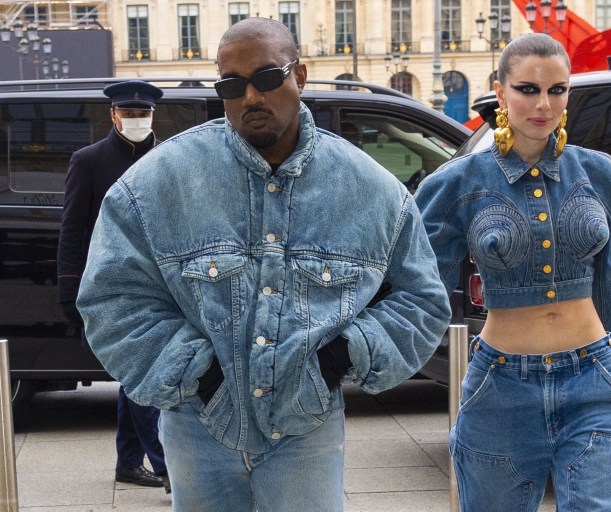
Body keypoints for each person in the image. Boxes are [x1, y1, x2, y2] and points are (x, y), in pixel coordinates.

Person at [76, 16, 450, 512]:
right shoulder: (157, 185)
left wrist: (340, 357)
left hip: (308, 431)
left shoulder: (371, 190)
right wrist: (199, 376)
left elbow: (421, 301)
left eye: (268, 77)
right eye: (232, 85)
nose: (251, 96)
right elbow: (110, 298)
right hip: (197, 427)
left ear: (300, 76)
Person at [415, 33, 611, 511]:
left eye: (557, 90)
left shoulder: (600, 174)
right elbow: (417, 281)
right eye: (528, 89)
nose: (544, 104)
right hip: (501, 385)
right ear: (500, 92)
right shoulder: (458, 183)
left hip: (593, 378)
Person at [57, 79, 170, 494]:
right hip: (115, 287)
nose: (137, 119)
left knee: (133, 373)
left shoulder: (168, 156)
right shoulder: (89, 160)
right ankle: (166, 465)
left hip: (162, 286)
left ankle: (128, 462)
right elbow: (72, 230)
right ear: (113, 114)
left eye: (143, 114)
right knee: (143, 371)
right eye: (129, 113)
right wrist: (69, 288)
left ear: (153, 115)